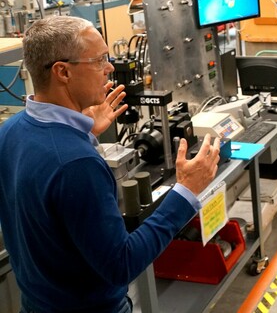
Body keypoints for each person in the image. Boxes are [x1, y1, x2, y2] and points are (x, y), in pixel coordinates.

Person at [0, 16, 220, 313]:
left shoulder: (10, 132)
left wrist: (83, 133)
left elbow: (47, 210)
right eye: (99, 60)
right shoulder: (77, 164)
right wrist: (185, 192)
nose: (110, 68)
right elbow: (121, 264)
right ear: (62, 72)